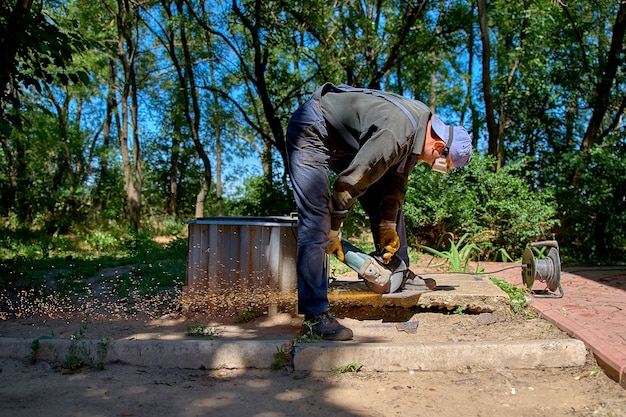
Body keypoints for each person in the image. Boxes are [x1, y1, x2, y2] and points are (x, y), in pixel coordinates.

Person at [286, 83, 472, 341]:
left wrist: (387, 228)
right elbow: (350, 183)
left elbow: (395, 184)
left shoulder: (419, 129)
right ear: (439, 147)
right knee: (317, 220)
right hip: (312, 130)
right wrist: (333, 230)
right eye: (440, 164)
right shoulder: (398, 133)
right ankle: (315, 315)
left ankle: (399, 270)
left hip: (346, 141)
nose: (434, 167)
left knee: (388, 202)